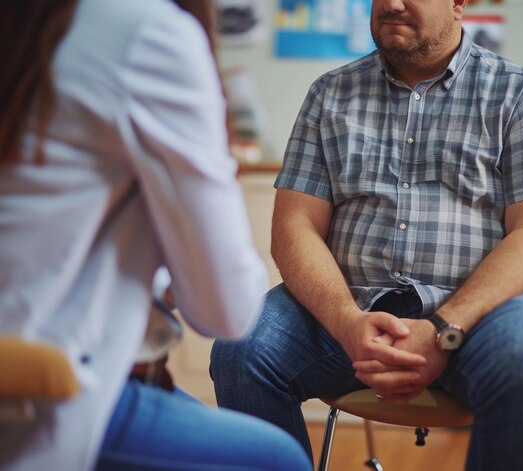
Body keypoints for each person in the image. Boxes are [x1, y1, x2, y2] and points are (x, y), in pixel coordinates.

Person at [210, 0, 523, 469]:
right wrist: (347, 323)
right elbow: (294, 226)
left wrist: (443, 331)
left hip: (484, 318)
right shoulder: (330, 94)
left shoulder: (522, 94)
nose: (390, 3)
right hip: (350, 309)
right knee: (241, 350)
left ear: (458, 3)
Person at [0, 0, 311, 470]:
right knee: (277, 460)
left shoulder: (28, 26)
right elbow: (226, 313)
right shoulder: (147, 34)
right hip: (40, 395)